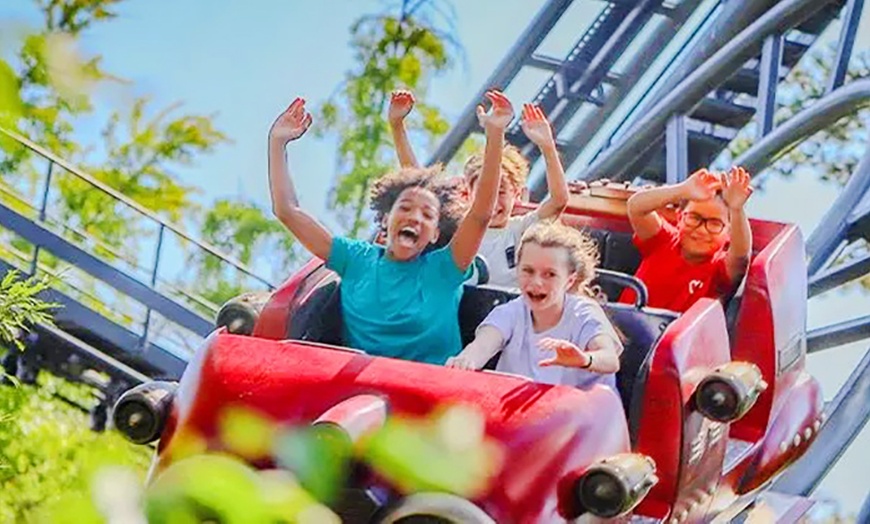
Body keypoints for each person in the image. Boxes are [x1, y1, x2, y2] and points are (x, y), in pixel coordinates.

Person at [268, 91, 514, 364]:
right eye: (405, 208)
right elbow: (287, 211)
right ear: (386, 219)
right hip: (362, 380)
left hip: (427, 385)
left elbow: (480, 214)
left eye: (427, 214)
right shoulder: (357, 259)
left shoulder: (444, 269)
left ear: (435, 233)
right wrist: (278, 142)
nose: (415, 218)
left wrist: (495, 134)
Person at [388, 90, 570, 288]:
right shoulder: (459, 227)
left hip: (505, 303)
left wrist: (547, 146)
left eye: (501, 192)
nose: (493, 202)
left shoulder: (519, 229)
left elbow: (559, 200)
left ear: (517, 194)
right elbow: (418, 185)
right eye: (485, 193)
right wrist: (397, 126)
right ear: (468, 193)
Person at [446, 221, 622, 390]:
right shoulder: (511, 312)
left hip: (580, 406)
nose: (536, 282)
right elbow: (483, 345)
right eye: (528, 271)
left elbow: (610, 359)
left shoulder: (584, 313)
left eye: (549, 274)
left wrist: (584, 359)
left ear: (569, 280)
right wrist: (466, 361)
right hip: (522, 406)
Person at [620, 167, 754, 312]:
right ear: (679, 217)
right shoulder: (662, 240)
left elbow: (741, 254)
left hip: (673, 327)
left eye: (715, 224)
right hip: (619, 321)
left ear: (729, 232)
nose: (702, 230)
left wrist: (736, 209)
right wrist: (682, 190)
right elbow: (636, 208)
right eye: (694, 218)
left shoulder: (720, 270)